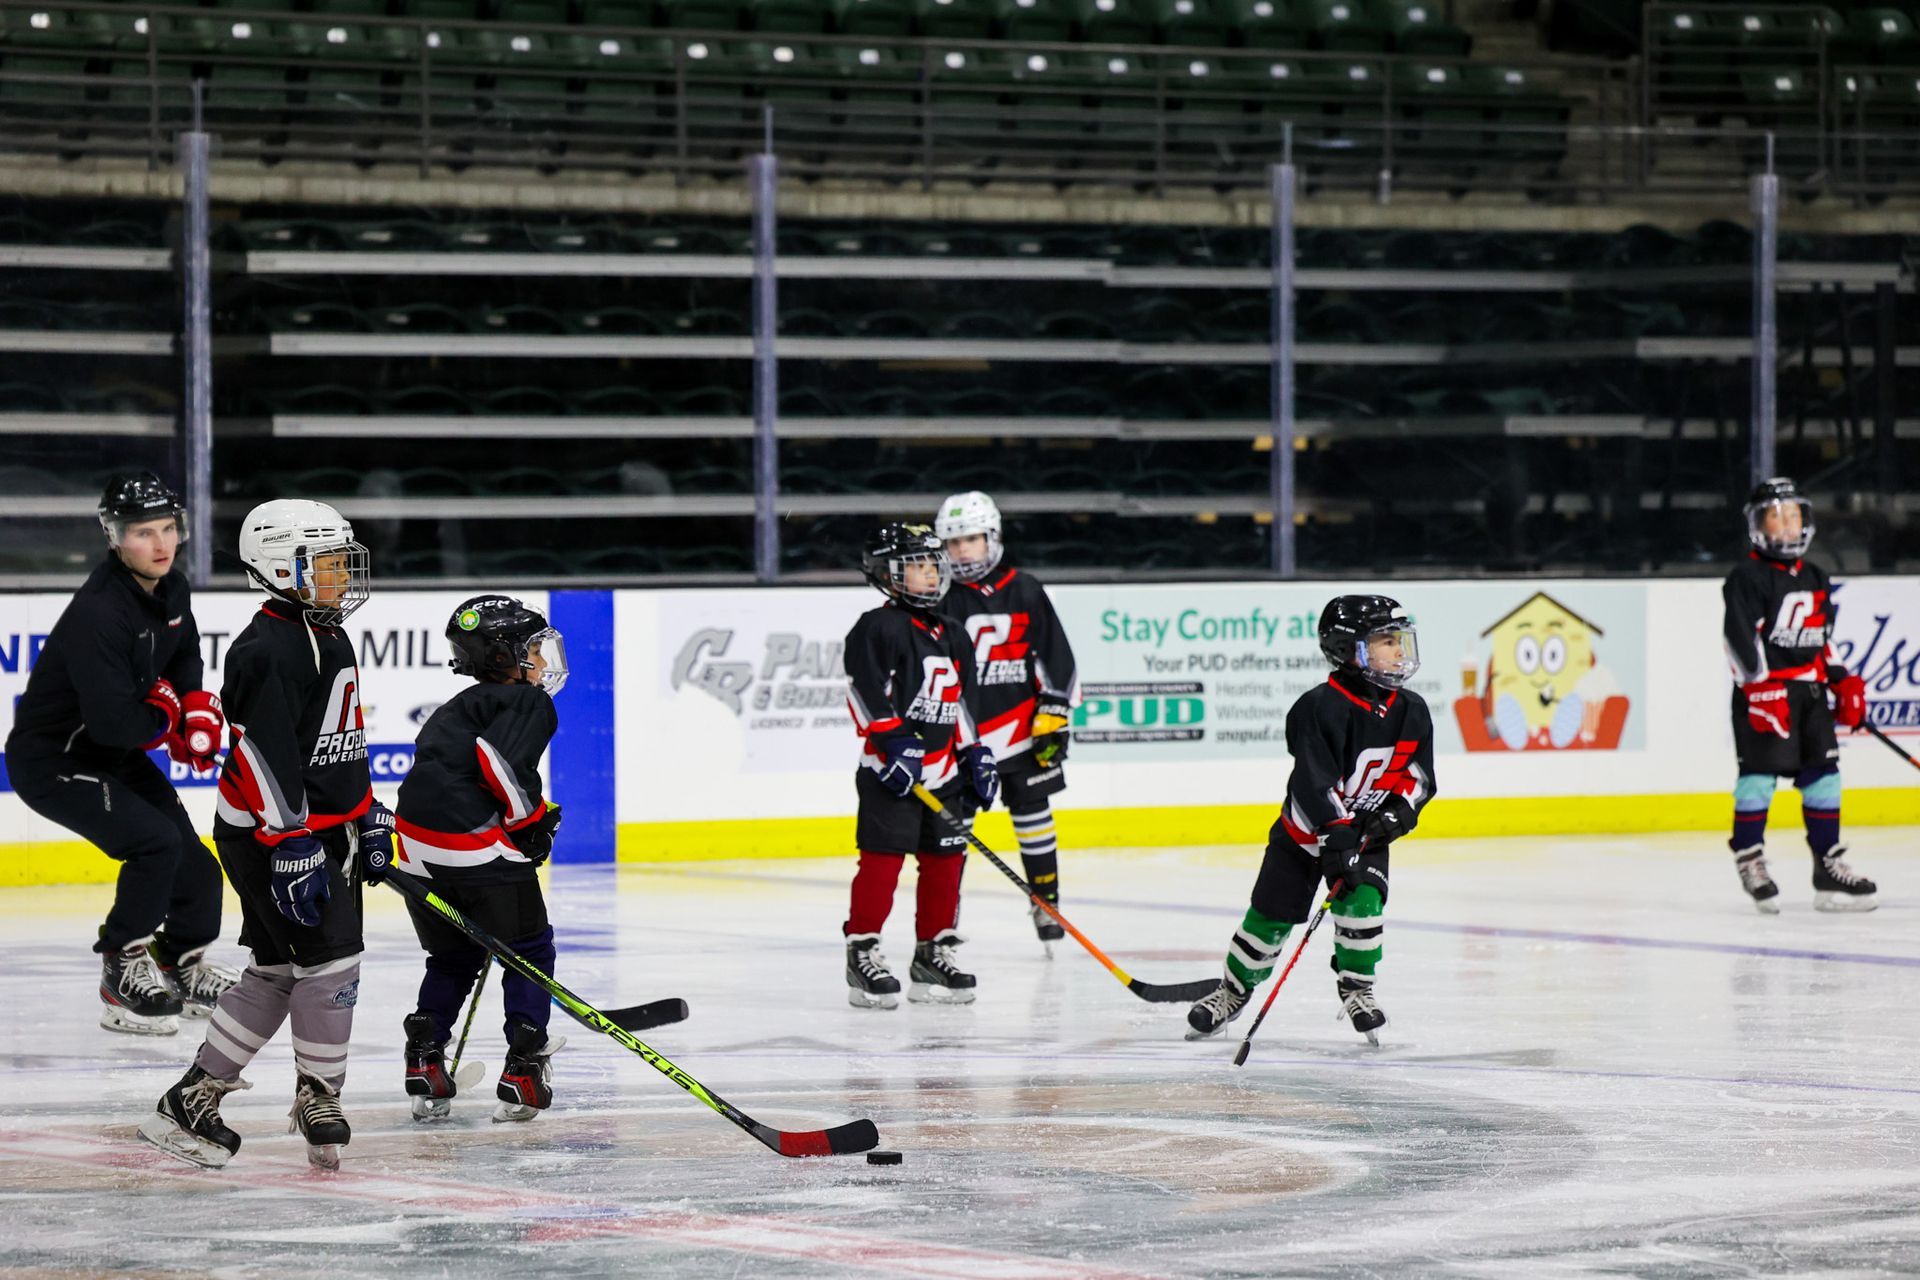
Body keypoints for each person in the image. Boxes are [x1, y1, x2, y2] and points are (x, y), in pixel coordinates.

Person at [137, 500, 382, 1170]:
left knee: (278, 970)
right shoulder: (265, 648)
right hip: (276, 838)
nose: (340, 575)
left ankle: (193, 1096)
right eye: (327, 563)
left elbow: (334, 742)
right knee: (332, 959)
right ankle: (319, 1093)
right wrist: (290, 842)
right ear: (283, 566)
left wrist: (364, 809)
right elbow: (260, 755)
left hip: (307, 832)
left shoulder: (326, 629)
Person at [3, 472, 235, 1036]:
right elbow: (112, 723)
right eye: (141, 533)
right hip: (54, 763)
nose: (159, 545)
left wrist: (196, 704)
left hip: (112, 751)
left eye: (167, 529)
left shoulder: (172, 587)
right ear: (114, 537)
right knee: (154, 844)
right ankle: (120, 967)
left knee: (196, 863)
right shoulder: (99, 613)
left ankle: (179, 961)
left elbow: (183, 656)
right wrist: (166, 720)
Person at [1186, 596, 1435, 1046]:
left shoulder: (1412, 710)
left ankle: (1358, 990)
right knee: (1268, 922)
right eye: (1385, 641)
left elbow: (1420, 779)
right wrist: (1335, 834)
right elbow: (1313, 782)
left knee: (1363, 910)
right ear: (1348, 649)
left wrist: (1396, 817)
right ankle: (1232, 990)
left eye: (1399, 640)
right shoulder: (1318, 707)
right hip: (1304, 837)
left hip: (1363, 836)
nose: (1399, 651)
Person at [395, 595, 567, 1123]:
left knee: (452, 957)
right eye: (531, 649)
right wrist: (529, 824)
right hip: (471, 845)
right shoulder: (528, 703)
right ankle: (523, 1067)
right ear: (499, 657)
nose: (542, 659)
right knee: (529, 949)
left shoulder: (460, 705)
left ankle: (425, 1059)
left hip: (415, 848)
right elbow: (498, 766)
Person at [842, 524, 998, 1008]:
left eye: (934, 567)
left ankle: (932, 952)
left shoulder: (952, 632)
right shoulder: (878, 626)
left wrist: (975, 753)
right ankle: (862, 951)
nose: (929, 577)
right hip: (890, 773)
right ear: (889, 575)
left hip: (943, 774)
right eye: (917, 568)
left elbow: (962, 703)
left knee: (946, 863)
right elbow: (861, 690)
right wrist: (893, 742)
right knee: (882, 863)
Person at [934, 491, 1080, 952]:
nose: (962, 551)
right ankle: (943, 921)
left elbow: (1058, 657)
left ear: (992, 537)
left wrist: (1055, 711)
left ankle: (1047, 902)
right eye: (953, 542)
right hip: (967, 738)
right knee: (954, 830)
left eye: (971, 540)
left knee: (1034, 815)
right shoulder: (940, 598)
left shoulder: (1025, 588)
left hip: (1021, 730)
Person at [1723, 478, 1876, 913]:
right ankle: (1750, 857)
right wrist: (1758, 689)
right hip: (1767, 695)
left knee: (1824, 777)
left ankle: (1827, 868)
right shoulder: (1748, 577)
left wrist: (1841, 679)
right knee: (1757, 777)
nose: (1788, 525)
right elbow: (1737, 638)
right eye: (1777, 516)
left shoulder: (1814, 575)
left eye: (1794, 515)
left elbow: (1822, 639)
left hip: (1810, 697)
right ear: (1759, 524)